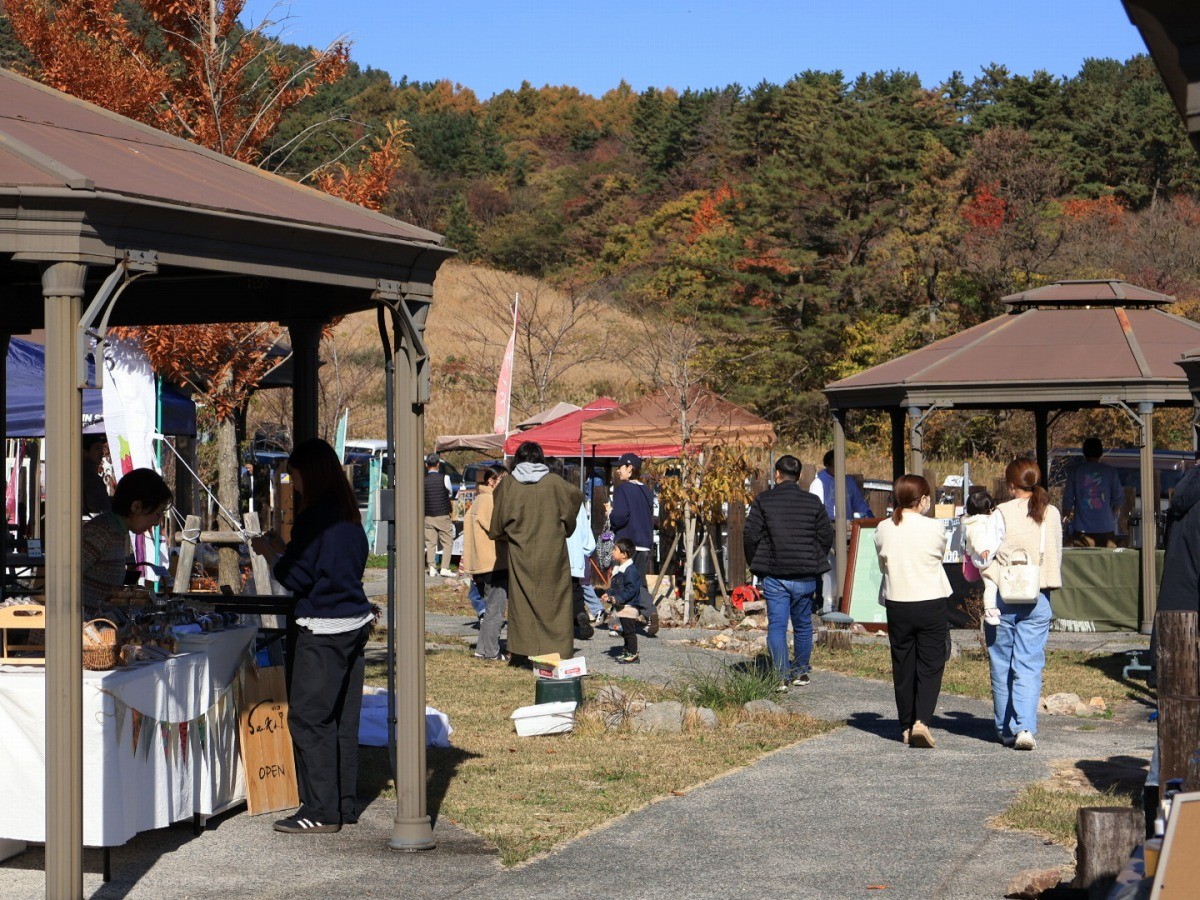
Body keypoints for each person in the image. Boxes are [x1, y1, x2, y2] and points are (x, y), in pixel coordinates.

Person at [251, 438, 373, 833]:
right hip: (352, 624)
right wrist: (284, 550)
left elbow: (296, 577)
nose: (293, 483)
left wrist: (270, 552)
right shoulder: (348, 515)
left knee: (308, 718)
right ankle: (342, 803)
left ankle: (321, 811)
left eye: (295, 475)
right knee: (340, 718)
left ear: (310, 475)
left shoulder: (315, 517)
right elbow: (330, 567)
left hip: (323, 629)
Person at [982, 457, 1062, 752]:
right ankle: (1025, 727)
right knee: (1029, 665)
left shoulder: (1001, 512)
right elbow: (1056, 554)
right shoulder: (1050, 512)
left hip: (1004, 594)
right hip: (1038, 595)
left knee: (1002, 663)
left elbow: (984, 554)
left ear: (1010, 483)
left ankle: (1005, 729)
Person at [487, 441, 585, 663]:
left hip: (520, 552)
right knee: (555, 602)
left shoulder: (509, 484)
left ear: (518, 459)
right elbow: (577, 496)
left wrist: (509, 533)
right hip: (553, 552)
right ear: (541, 458)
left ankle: (522, 652)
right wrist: (563, 526)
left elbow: (497, 525)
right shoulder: (555, 483)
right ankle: (557, 651)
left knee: (522, 602)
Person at [873, 474, 952, 748]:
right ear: (923, 499)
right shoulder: (935, 528)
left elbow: (883, 563)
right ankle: (922, 721)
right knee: (931, 663)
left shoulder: (884, 527)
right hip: (931, 600)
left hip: (898, 601)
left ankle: (905, 725)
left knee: (902, 663)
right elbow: (940, 555)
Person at [744, 454, 833, 690]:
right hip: (805, 574)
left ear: (776, 474)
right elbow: (826, 535)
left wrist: (755, 562)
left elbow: (750, 535)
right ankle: (801, 671)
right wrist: (814, 557)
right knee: (803, 625)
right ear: (800, 476)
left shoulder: (764, 500)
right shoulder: (813, 502)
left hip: (775, 573)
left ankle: (781, 675)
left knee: (777, 626)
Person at [81, 468, 172, 613]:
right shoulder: (101, 531)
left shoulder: (116, 532)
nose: (156, 523)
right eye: (157, 514)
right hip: (74, 629)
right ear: (136, 507)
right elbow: (64, 577)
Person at [810, 449, 873, 611]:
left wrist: (869, 516)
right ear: (829, 464)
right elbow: (816, 508)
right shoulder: (819, 482)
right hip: (828, 530)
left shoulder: (848, 482)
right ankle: (829, 604)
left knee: (850, 566)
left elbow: (858, 502)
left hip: (848, 528)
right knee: (831, 568)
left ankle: (849, 602)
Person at [462, 465, 509, 661]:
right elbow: (498, 529)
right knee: (495, 609)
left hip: (483, 563)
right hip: (493, 562)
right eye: (503, 480)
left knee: (491, 607)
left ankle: (482, 649)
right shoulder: (489, 501)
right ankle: (490, 651)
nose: (506, 484)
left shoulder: (479, 500)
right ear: (491, 481)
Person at [549, 458, 597, 641]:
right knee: (575, 590)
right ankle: (579, 614)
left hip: (556, 552)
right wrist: (586, 549)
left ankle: (562, 626)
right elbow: (585, 531)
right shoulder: (575, 495)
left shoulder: (547, 494)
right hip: (575, 553)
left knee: (555, 592)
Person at [1062, 438, 1124, 547]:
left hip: (1082, 529)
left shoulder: (1075, 471)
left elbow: (1068, 500)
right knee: (1108, 563)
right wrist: (1112, 515)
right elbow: (1118, 498)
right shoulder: (1110, 472)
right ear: (1100, 451)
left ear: (1084, 452)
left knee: (1083, 563)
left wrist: (1065, 520)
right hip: (1106, 527)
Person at [962, 490, 1006, 627]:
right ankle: (989, 610)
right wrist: (983, 550)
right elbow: (977, 539)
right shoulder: (976, 524)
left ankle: (992, 609)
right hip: (985, 559)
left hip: (987, 559)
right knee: (991, 585)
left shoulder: (974, 521)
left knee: (993, 585)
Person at [607, 452, 654, 575]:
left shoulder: (623, 489)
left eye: (620, 467)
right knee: (637, 584)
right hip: (644, 546)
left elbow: (620, 517)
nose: (617, 471)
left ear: (629, 468)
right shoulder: (646, 491)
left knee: (622, 585)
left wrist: (610, 514)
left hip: (626, 547)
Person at [603, 537, 644, 664]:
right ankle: (627, 651)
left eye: (615, 549)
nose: (612, 552)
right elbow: (616, 587)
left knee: (629, 631)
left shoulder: (630, 570)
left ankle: (632, 654)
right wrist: (608, 594)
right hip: (622, 606)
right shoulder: (619, 569)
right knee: (624, 631)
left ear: (624, 554)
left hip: (629, 606)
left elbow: (631, 589)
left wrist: (618, 598)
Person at [423, 453, 455, 577]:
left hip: (428, 515)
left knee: (430, 543)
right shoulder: (444, 478)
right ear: (438, 464)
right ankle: (445, 568)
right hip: (442, 514)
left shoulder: (422, 480)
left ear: (426, 465)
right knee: (447, 541)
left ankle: (431, 568)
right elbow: (450, 493)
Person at [81, 435, 112, 516]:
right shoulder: (91, 478)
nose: (102, 453)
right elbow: (99, 508)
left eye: (101, 448)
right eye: (97, 448)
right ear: (84, 452)